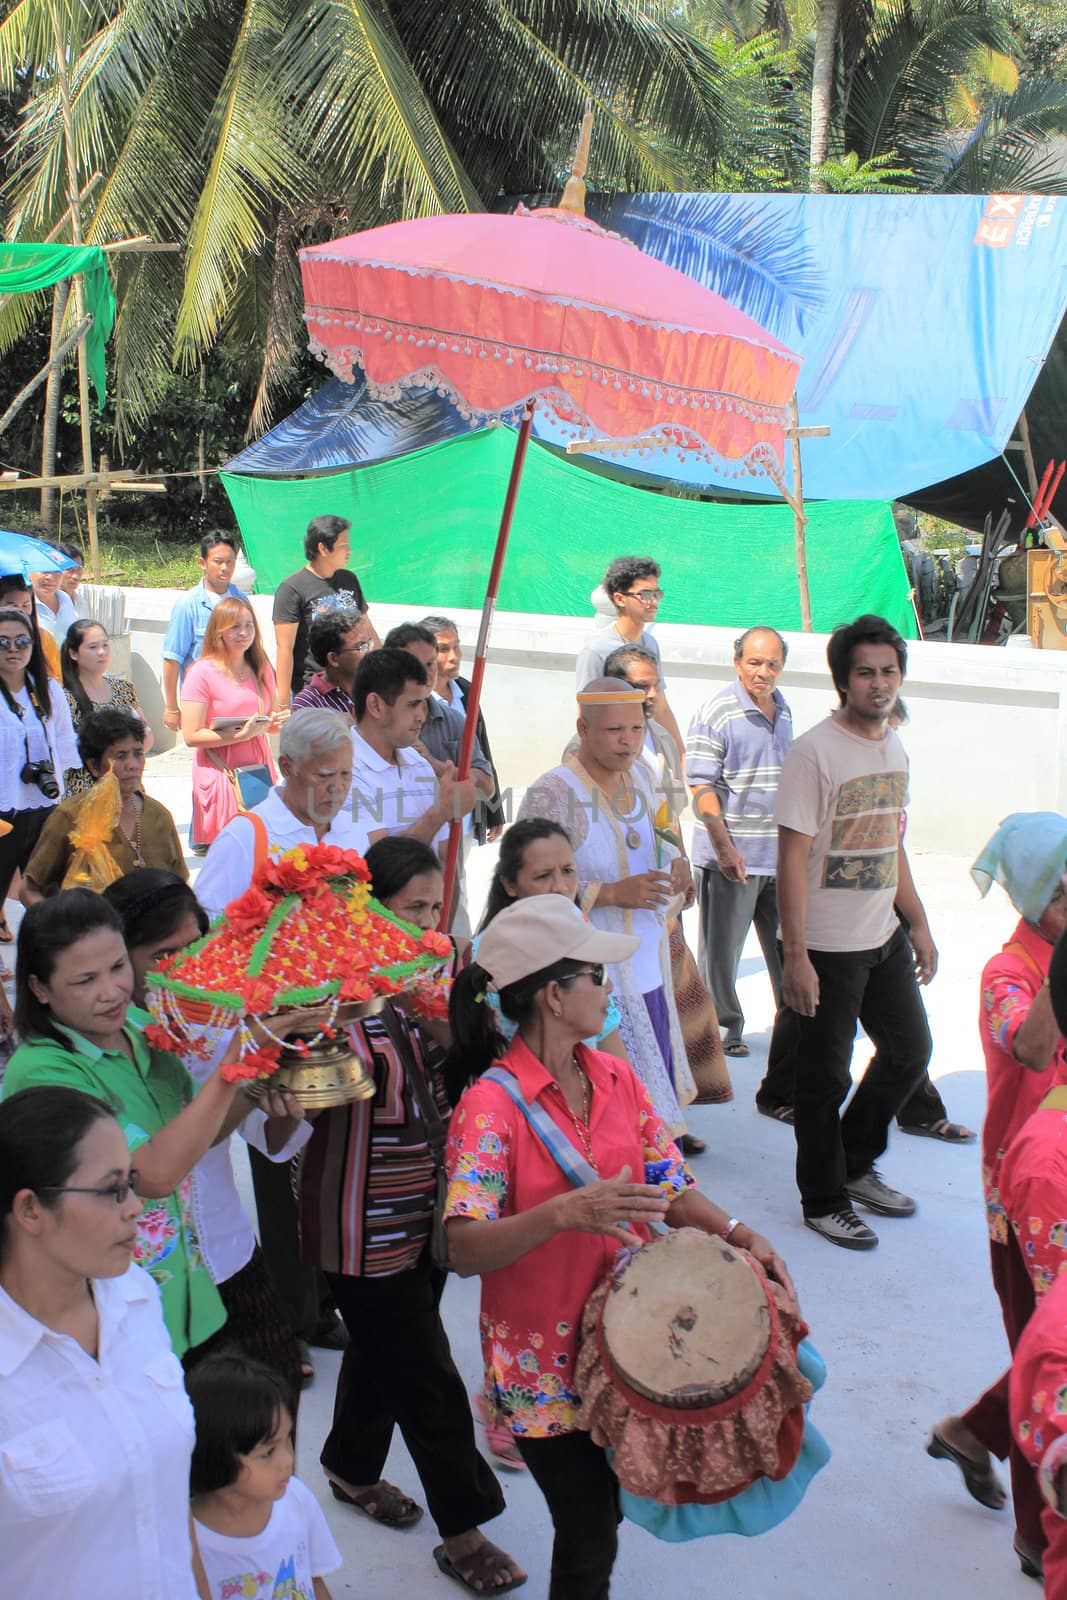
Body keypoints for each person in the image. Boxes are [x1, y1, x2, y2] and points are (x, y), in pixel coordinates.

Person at [443, 893, 792, 1600]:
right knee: (589, 1523)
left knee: (608, 1510)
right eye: (595, 978)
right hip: (539, 1361)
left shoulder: (613, 1076)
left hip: (630, 1342)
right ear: (552, 994)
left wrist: (737, 1235)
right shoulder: (489, 1105)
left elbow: (670, 1187)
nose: (608, 989)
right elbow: (463, 1248)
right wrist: (564, 1212)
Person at [297, 863, 523, 1596]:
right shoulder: (323, 996)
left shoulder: (441, 974)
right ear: (368, 911)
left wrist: (451, 1017)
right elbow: (298, 1104)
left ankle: (351, 1466)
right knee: (427, 1375)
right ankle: (462, 1532)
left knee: (387, 1347)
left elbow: (476, 1069)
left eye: (433, 906)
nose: (423, 922)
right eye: (407, 907)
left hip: (426, 1209)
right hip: (357, 1222)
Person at [1, 890, 298, 1360]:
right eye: (85, 980)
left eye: (118, 967)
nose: (112, 990)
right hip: (112, 1319)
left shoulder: (141, 1027)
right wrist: (239, 1060)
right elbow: (154, 1174)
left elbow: (195, 1138)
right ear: (39, 989)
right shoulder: (44, 1070)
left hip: (193, 1295)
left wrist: (263, 1079)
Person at [194, 709, 374, 1371]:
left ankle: (326, 1299)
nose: (336, 787)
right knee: (280, 1171)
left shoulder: (348, 829)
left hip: (335, 1018)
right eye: (325, 775)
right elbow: (208, 930)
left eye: (347, 775)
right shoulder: (251, 834)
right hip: (270, 1025)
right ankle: (292, 1313)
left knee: (333, 1165)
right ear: (288, 768)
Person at [104, 868, 308, 1400]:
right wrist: (243, 1072)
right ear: (118, 962)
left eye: (197, 946)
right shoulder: (96, 1053)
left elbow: (269, 1134)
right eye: (165, 956)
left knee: (275, 1397)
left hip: (227, 1248)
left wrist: (287, 1094)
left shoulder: (217, 1021)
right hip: (151, 1279)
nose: (190, 968)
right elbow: (162, 1165)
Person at [767, 614, 934, 1250]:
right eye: (865, 671)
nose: (879, 682)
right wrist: (796, 956)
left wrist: (916, 921)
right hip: (828, 948)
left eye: (889, 671)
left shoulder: (894, 745)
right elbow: (790, 860)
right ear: (844, 680)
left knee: (909, 1053)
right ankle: (824, 1198)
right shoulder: (814, 753)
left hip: (881, 935)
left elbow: (892, 844)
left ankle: (856, 1162)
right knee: (823, 1080)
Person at [930, 814, 1067, 1578]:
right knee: (1042, 1356)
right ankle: (1034, 1534)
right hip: (1024, 1197)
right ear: (1042, 890)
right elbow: (1031, 1046)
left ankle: (972, 1432)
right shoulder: (1006, 970)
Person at [0, 1084, 198, 1598]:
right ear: (30, 1210)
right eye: (112, 1189)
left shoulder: (134, 1294)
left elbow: (167, 1504)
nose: (135, 1206)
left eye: (131, 1182)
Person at [519, 679, 701, 1151]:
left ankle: (661, 1183)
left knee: (654, 1098)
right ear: (583, 728)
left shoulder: (642, 775)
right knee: (611, 1109)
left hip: (648, 960)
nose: (629, 740)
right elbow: (527, 886)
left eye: (638, 728)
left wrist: (678, 863)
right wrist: (607, 893)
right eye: (615, 729)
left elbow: (662, 834)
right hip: (591, 973)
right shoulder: (552, 794)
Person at [604, 644, 732, 1109]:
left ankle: (671, 1109)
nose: (653, 694)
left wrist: (680, 863)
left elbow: (666, 813)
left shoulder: (656, 734)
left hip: (660, 897)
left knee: (676, 1007)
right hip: (620, 912)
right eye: (641, 686)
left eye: (656, 684)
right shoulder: (589, 752)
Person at [685, 626, 792, 1062]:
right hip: (731, 857)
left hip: (779, 856)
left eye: (772, 664)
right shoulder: (717, 711)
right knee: (722, 953)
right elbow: (700, 784)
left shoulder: (784, 710)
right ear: (736, 662)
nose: (763, 672)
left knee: (789, 946)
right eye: (754, 662)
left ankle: (795, 1024)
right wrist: (724, 848)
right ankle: (724, 1028)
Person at [188, 1353, 342, 1600]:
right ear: (216, 1454)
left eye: (288, 1439)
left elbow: (314, 1580)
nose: (287, 1460)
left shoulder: (297, 1499)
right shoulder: (189, 1540)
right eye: (268, 1452)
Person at [22, 708, 186, 897]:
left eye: (138, 753)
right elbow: (29, 890)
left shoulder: (159, 816)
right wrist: (62, 924)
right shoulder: (70, 816)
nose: (133, 764)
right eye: (121, 756)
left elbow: (180, 887)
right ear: (94, 766)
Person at [350, 647, 478, 862]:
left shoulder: (418, 763)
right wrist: (441, 812)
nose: (421, 717)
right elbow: (378, 864)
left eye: (424, 704)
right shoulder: (343, 770)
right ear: (375, 705)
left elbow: (445, 862)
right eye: (412, 705)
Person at [0, 604, 79, 939]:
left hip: (44, 805)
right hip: (3, 808)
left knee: (48, 890)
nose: (13, 650)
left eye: (22, 642)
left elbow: (64, 742)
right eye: (3, 642)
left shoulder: (48, 690)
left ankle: (49, 952)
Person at [181, 596, 280, 848]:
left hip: (258, 772)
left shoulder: (261, 667)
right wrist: (241, 735)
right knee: (230, 853)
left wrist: (275, 722)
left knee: (263, 850)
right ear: (219, 631)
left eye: (248, 625)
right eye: (234, 626)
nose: (243, 633)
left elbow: (269, 719)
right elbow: (191, 735)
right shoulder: (201, 673)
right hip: (222, 772)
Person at [574, 555, 685, 761]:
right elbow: (586, 710)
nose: (653, 601)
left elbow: (660, 705)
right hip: (612, 753)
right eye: (644, 594)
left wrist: (680, 755)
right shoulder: (596, 650)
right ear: (619, 598)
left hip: (647, 746)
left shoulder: (650, 644)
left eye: (656, 593)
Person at [272, 515, 379, 710]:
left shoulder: (349, 579)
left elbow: (367, 627)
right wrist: (282, 702)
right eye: (343, 545)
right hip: (317, 692)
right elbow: (284, 648)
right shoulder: (292, 589)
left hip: (354, 686)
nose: (349, 550)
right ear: (323, 548)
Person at [422, 613, 505, 843]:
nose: (454, 657)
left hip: (466, 820)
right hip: (427, 818)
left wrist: (494, 809)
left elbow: (482, 751)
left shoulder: (466, 691)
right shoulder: (416, 703)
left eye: (456, 647)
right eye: (444, 649)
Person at [161, 533, 247, 732]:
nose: (225, 568)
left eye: (230, 562)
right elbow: (172, 658)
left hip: (239, 697)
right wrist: (172, 708)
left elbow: (252, 649)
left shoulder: (240, 599)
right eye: (218, 562)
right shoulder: (187, 605)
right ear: (203, 563)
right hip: (203, 703)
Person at [61, 619, 154, 796]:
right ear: (74, 653)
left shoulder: (124, 689)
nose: (102, 652)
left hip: (127, 789)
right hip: (86, 792)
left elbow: (145, 736)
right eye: (93, 647)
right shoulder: (64, 697)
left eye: (105, 645)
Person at [291, 605, 373, 721]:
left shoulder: (376, 686)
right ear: (333, 659)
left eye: (369, 643)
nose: (370, 651)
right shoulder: (308, 705)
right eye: (361, 647)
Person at [30, 560, 79, 643]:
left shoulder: (65, 598)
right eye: (44, 570)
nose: (50, 577)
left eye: (56, 571)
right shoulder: (25, 604)